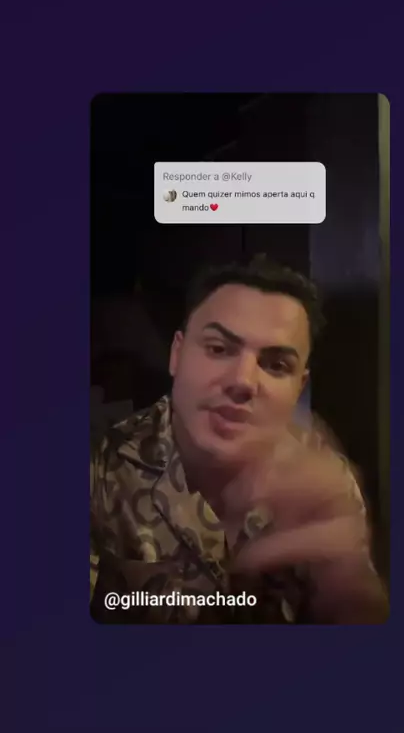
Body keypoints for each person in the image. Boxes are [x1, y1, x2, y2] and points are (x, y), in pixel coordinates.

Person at [90, 255, 388, 624]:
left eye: (276, 365)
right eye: (218, 348)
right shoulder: (99, 471)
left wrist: (347, 586)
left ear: (299, 387)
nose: (243, 381)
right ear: (177, 354)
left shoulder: (324, 484)